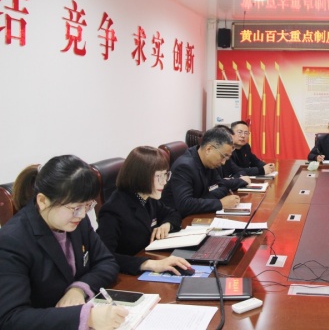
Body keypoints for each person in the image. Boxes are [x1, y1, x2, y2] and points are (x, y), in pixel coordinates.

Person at [0, 155, 128, 329]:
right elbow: (11, 318)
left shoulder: (76, 221)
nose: (82, 215)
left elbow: (107, 261)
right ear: (43, 201)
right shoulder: (12, 241)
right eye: (75, 208)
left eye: (87, 206)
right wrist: (86, 317)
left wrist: (79, 288)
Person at [97, 146, 192, 275]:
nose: (164, 182)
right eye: (158, 176)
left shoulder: (146, 197)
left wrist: (167, 224)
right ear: (141, 176)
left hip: (150, 256)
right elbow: (105, 256)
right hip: (128, 275)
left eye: (165, 175)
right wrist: (147, 264)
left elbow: (173, 213)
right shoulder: (113, 210)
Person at [161, 127, 241, 217]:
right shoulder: (184, 166)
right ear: (209, 149)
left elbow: (222, 187)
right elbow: (185, 204)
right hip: (177, 219)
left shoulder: (210, 162)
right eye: (223, 156)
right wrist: (220, 203)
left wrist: (201, 200)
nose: (223, 162)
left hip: (197, 214)